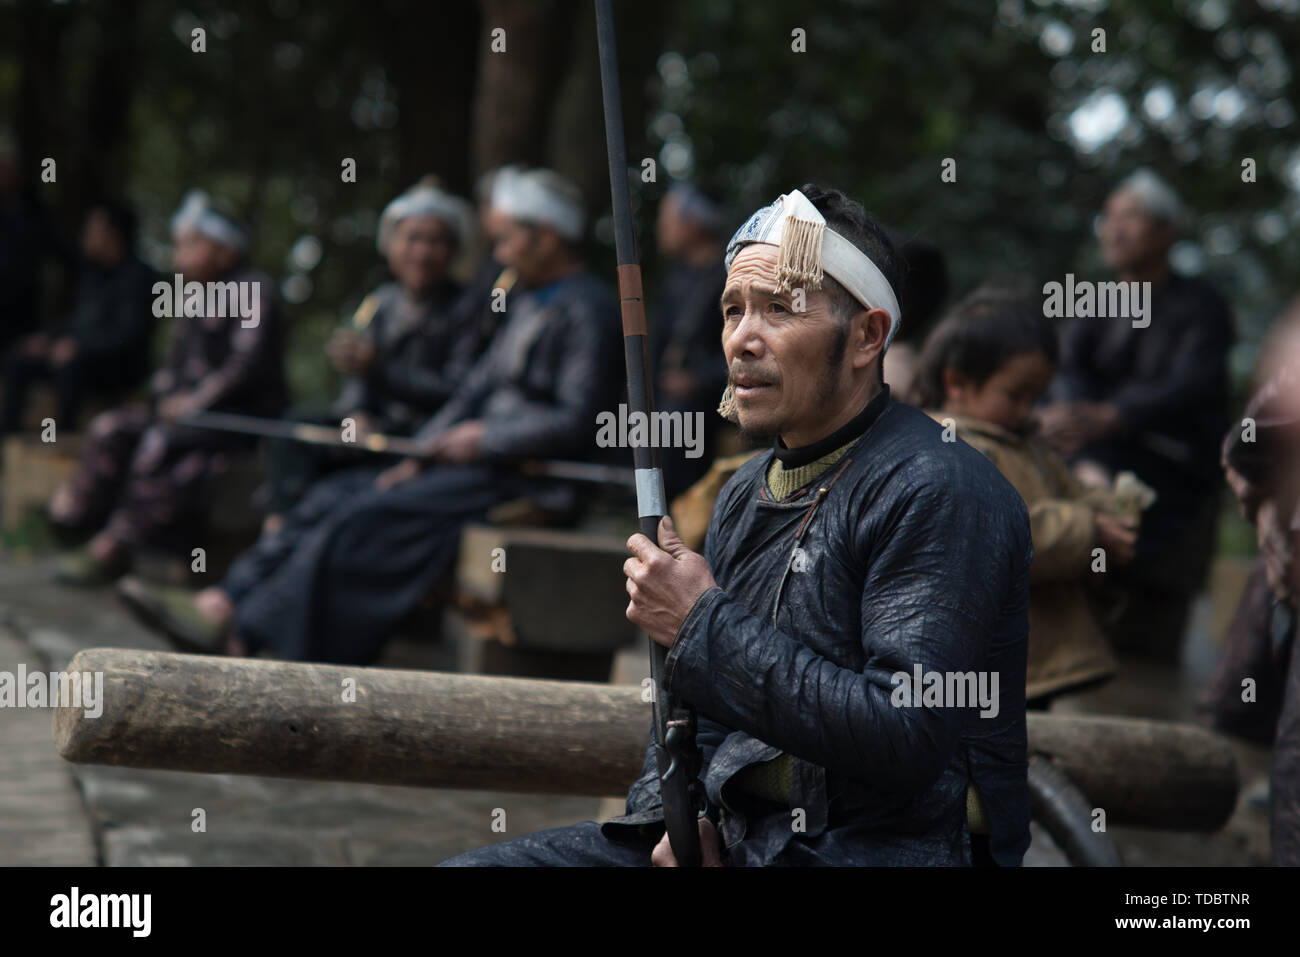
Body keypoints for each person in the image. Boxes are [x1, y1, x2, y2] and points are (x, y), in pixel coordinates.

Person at [441, 184, 1033, 867]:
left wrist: (699, 623)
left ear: (867, 336)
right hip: (745, 837)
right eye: (733, 310)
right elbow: (696, 715)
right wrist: (679, 817)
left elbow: (906, 732)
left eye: (779, 307)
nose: (742, 340)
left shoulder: (940, 486)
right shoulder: (743, 492)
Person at [122, 168, 622, 665]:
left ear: (548, 237)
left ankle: (251, 638)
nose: (501, 255)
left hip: (528, 478)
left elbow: (576, 420)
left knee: (363, 519)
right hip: (478, 465)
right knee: (331, 496)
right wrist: (420, 456)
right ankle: (222, 603)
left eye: (508, 240)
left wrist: (486, 438)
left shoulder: (589, 309)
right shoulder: (527, 302)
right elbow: (473, 393)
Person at [1037, 168, 1234, 663]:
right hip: (1093, 455)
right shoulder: (1096, 302)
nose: (1114, 229)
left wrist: (1115, 415)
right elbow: (1066, 366)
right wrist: (1075, 417)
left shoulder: (1202, 307)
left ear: (1166, 232)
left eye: (1130, 218)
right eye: (1109, 218)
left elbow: (1191, 385)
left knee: (1145, 652)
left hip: (1171, 470)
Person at [914, 290, 1143, 708]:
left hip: (1034, 663)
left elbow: (1075, 491)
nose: (1027, 411)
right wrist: (1089, 529)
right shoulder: (947, 448)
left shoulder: (1029, 446)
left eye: (1036, 398)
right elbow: (991, 534)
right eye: (1015, 395)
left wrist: (1113, 513)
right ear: (957, 382)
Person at [49, 190, 286, 584]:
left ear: (225, 250)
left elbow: (244, 367)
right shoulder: (193, 296)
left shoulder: (253, 290)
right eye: (179, 245)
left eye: (192, 244)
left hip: (235, 419)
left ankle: (115, 545)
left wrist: (194, 402)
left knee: (160, 444)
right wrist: (162, 398)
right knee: (112, 427)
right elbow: (174, 367)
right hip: (187, 416)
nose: (180, 255)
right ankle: (75, 522)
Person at [259, 182, 483, 522]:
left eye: (434, 241)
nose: (422, 253)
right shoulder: (380, 303)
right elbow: (358, 376)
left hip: (421, 434)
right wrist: (355, 413)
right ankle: (277, 525)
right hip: (373, 429)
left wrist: (380, 369)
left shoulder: (468, 308)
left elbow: (458, 390)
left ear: (452, 250)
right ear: (391, 245)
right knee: (297, 427)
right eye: (413, 239)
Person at [2, 200, 157, 433]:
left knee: (71, 366)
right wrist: (48, 338)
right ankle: (8, 435)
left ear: (113, 233)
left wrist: (80, 347)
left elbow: (129, 334)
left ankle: (64, 434)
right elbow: (79, 321)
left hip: (117, 365)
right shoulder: (92, 275)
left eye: (92, 228)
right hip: (79, 355)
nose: (86, 234)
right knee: (19, 359)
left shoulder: (140, 277)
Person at [651, 182, 728, 497]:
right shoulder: (676, 281)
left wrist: (697, 380)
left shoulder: (729, 276)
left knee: (677, 416)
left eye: (668, 218)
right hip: (672, 398)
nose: (661, 227)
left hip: (712, 400)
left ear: (693, 222)